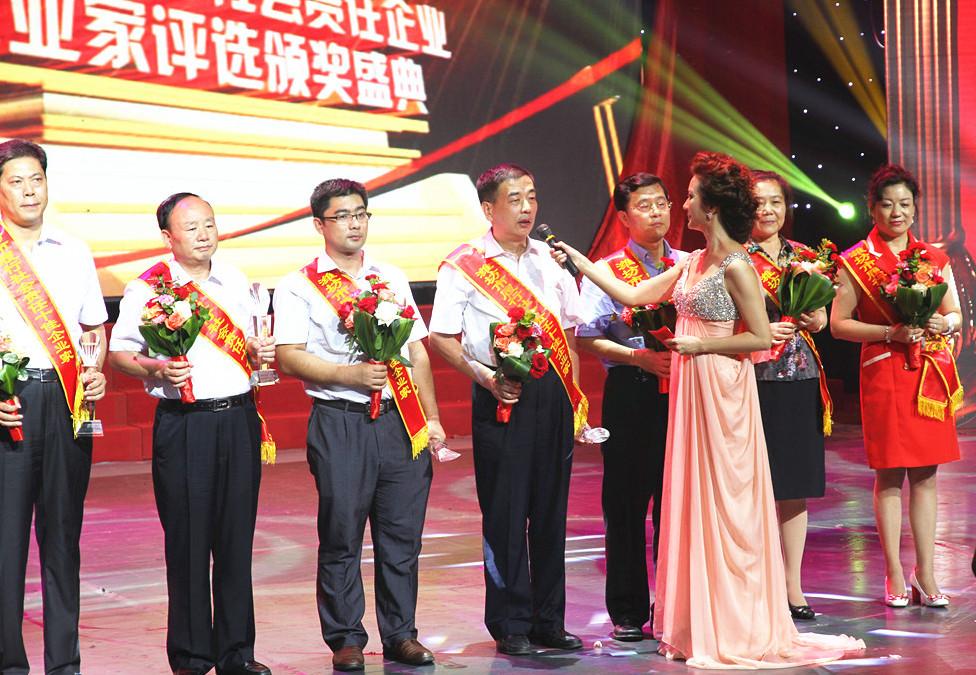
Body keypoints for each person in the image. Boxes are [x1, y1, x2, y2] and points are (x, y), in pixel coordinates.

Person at [553, 151, 864, 668]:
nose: (683, 205)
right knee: (694, 498)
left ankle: (739, 621)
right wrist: (579, 262)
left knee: (729, 500)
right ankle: (703, 618)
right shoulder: (692, 262)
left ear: (712, 207)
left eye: (691, 196)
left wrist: (700, 346)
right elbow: (632, 293)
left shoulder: (737, 265)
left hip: (723, 388)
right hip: (693, 388)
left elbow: (760, 337)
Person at [273, 179, 443, 672]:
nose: (354, 224)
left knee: (402, 536)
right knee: (342, 534)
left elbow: (416, 351)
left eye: (361, 214)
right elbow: (288, 356)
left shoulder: (390, 277)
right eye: (342, 216)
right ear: (319, 224)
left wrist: (431, 417)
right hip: (341, 421)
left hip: (399, 421)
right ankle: (346, 637)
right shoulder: (299, 285)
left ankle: (401, 635)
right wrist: (350, 375)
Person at [108, 193, 275, 675]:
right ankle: (191, 655)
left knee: (236, 540)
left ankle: (236, 653)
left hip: (239, 419)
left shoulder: (237, 280)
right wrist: (157, 368)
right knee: (188, 542)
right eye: (191, 227)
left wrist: (258, 351)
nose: (204, 234)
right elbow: (120, 354)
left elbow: (249, 347)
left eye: (209, 224)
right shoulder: (148, 288)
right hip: (186, 424)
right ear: (168, 236)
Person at [428, 163, 586, 656]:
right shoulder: (464, 265)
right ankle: (510, 621)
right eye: (514, 199)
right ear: (488, 208)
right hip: (501, 393)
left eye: (531, 197)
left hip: (553, 395)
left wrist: (575, 400)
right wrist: (486, 378)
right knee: (506, 511)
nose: (526, 208)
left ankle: (549, 620)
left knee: (551, 512)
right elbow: (441, 336)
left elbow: (570, 334)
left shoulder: (551, 260)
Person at [830, 164, 961, 608]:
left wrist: (944, 322)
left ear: (915, 208)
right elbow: (839, 324)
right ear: (872, 209)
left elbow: (955, 313)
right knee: (889, 475)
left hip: (928, 376)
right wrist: (891, 333)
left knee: (926, 475)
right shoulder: (856, 261)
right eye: (887, 204)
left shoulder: (933, 258)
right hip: (884, 373)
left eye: (905, 204)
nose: (897, 212)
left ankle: (927, 573)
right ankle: (893, 573)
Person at [0, 139, 108, 675]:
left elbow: (94, 327)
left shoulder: (73, 249)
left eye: (36, 179)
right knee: (6, 544)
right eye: (16, 181)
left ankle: (64, 664)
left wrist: (94, 369)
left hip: (68, 403)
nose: (29, 191)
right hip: (9, 405)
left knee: (63, 538)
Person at [575, 172, 687, 641]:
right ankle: (626, 610)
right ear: (623, 217)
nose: (656, 212)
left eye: (662, 202)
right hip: (631, 391)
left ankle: (674, 606)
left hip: (683, 394)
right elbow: (586, 337)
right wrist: (638, 357)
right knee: (625, 504)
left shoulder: (688, 263)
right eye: (644, 205)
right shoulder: (607, 270)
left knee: (677, 505)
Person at [745, 171, 831, 620]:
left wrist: (815, 319)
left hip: (799, 377)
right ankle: (754, 587)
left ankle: (792, 586)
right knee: (751, 487)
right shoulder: (734, 257)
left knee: (794, 487)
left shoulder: (805, 256)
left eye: (775, 202)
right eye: (759, 202)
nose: (767, 210)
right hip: (750, 379)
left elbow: (821, 317)